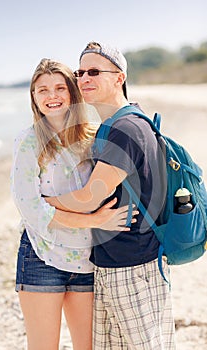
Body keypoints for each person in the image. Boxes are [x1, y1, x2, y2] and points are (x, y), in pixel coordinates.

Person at [45, 42, 176, 349]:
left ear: (119, 78)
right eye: (80, 72)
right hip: (118, 261)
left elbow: (90, 196)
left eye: (94, 71)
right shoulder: (118, 123)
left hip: (133, 263)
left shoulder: (125, 128)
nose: (83, 79)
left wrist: (43, 203)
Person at [10, 58, 138, 350]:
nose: (51, 96)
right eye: (42, 90)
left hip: (88, 259)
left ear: (72, 92)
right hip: (42, 255)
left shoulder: (95, 138)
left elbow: (106, 191)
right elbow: (30, 209)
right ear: (33, 97)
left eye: (59, 88)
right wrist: (94, 220)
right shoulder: (28, 141)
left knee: (89, 346)